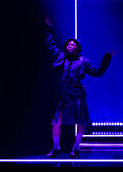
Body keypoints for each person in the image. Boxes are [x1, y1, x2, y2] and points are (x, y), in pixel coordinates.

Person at [44, 17, 113, 158]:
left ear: (77, 48)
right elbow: (50, 45)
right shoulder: (60, 56)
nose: (70, 45)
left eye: (73, 44)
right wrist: (49, 29)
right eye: (68, 44)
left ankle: (75, 148)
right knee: (56, 122)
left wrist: (106, 58)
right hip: (64, 95)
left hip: (77, 94)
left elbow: (97, 72)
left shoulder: (83, 61)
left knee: (80, 122)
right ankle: (56, 148)